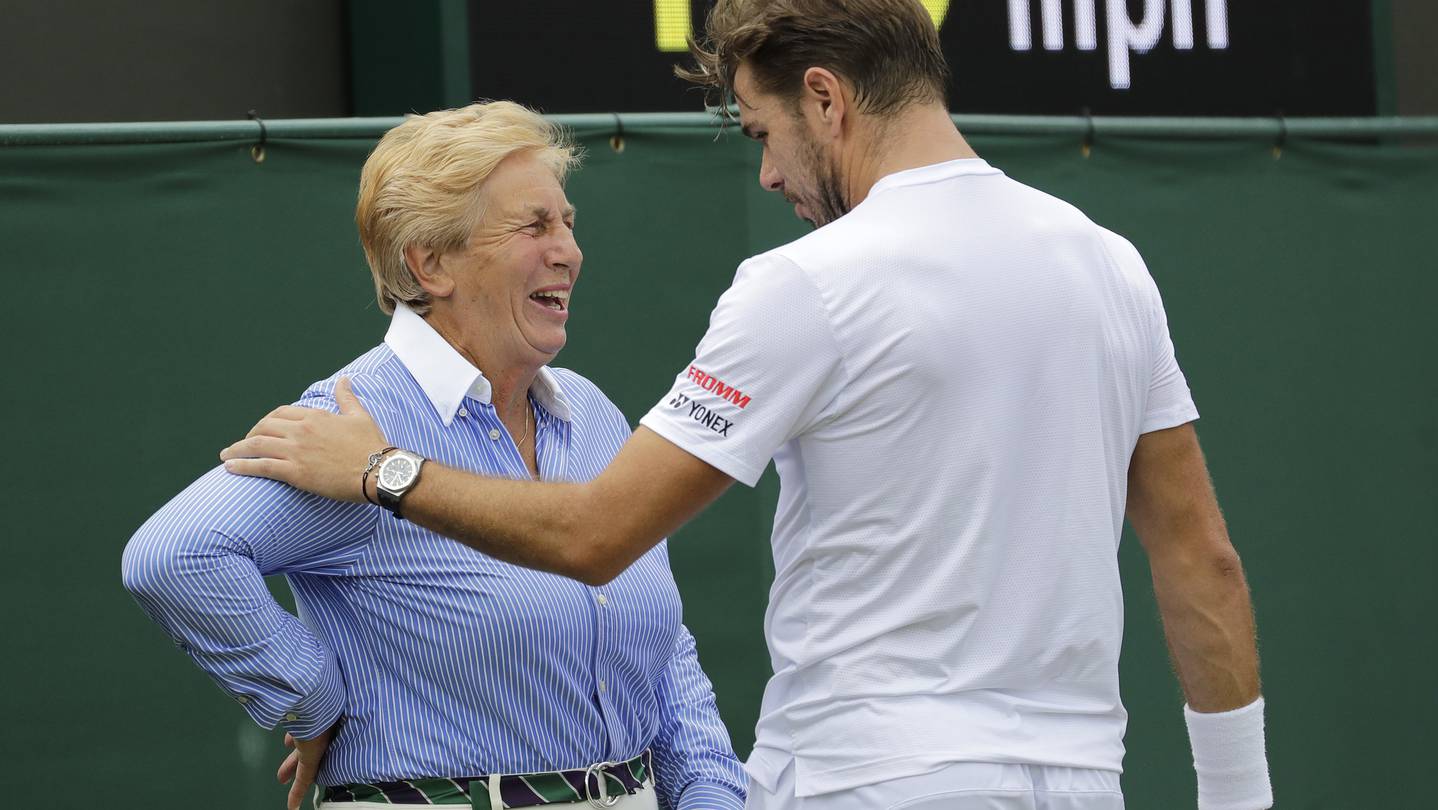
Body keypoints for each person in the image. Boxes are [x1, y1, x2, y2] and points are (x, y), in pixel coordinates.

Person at [219, 2, 1273, 808]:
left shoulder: (806, 284)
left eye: (763, 129)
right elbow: (1202, 562)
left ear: (827, 99)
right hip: (1083, 782)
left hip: (865, 783)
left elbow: (596, 534)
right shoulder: (1110, 265)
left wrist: (380, 470)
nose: (767, 173)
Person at [124, 101, 748, 810]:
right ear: (430, 264)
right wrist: (315, 701)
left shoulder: (592, 412)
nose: (569, 251)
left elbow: (666, 648)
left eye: (568, 222)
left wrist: (710, 792)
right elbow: (174, 556)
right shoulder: (348, 424)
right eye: (534, 226)